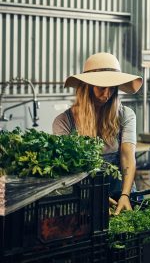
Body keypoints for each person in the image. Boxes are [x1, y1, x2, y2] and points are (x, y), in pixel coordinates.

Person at [52, 52, 143, 214]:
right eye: (101, 88)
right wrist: (94, 195)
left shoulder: (125, 115)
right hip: (84, 195)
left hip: (120, 193)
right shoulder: (64, 122)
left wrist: (125, 194)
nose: (107, 94)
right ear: (87, 87)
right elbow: (69, 169)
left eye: (112, 88)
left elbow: (127, 156)